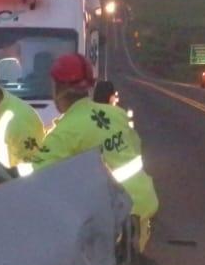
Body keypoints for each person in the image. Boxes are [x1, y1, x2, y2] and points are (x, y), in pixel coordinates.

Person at [30, 53, 158, 252]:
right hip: (142, 203)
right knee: (133, 263)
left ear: (58, 88)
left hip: (111, 219)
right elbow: (135, 147)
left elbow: (37, 180)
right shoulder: (117, 114)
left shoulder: (63, 133)